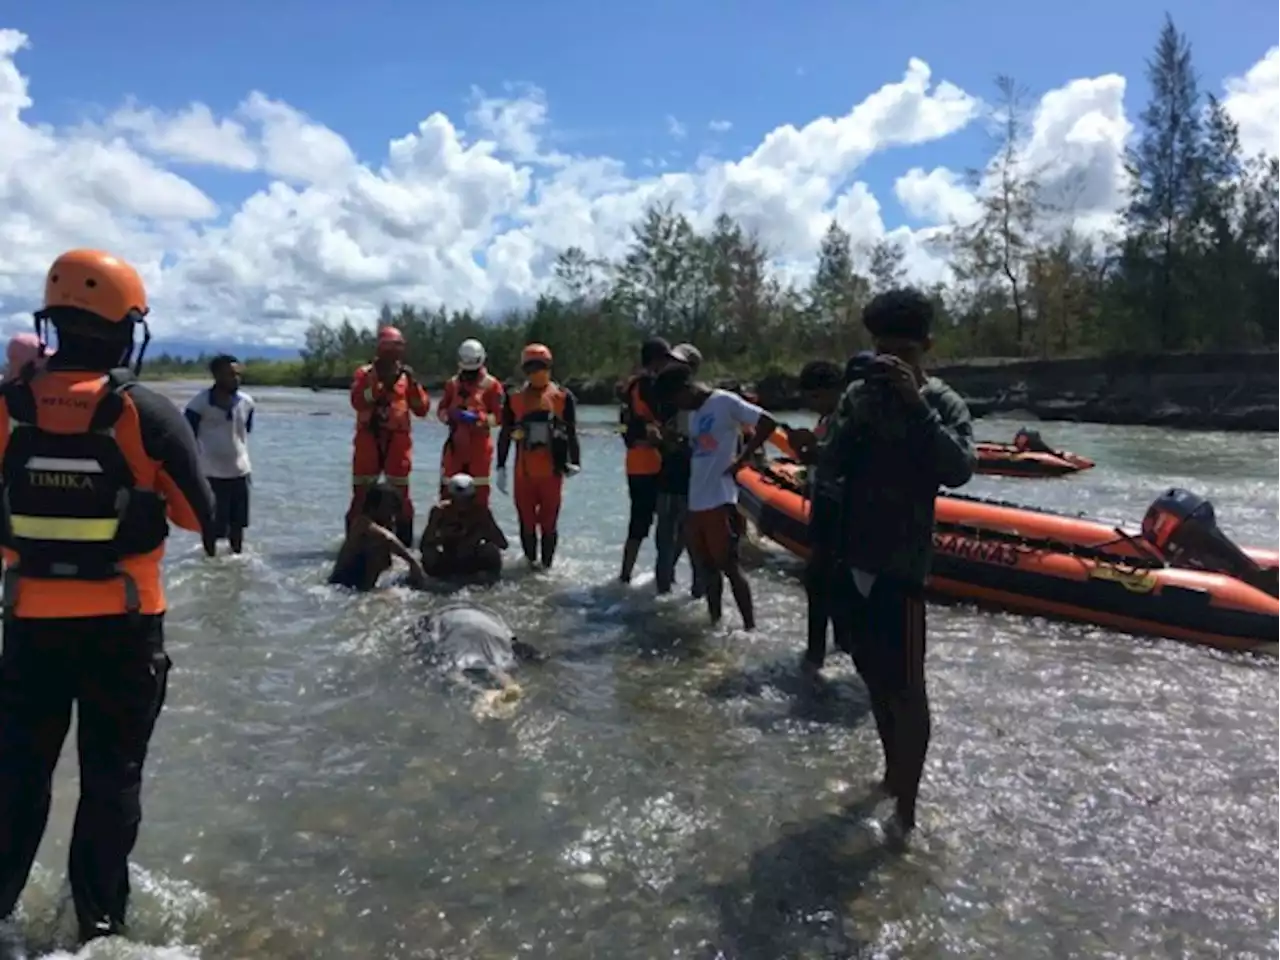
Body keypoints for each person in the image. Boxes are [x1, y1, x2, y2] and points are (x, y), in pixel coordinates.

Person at [0, 249, 215, 947]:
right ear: (127, 330)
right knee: (110, 781)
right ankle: (97, 927)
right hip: (124, 630)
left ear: (53, 321)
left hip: (27, 627)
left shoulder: (7, 411)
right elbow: (197, 517)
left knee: (18, 777)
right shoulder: (146, 414)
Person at [816, 287, 976, 844]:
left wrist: (915, 406)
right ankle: (890, 774)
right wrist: (850, 420)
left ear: (925, 348)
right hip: (851, 558)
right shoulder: (859, 396)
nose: (893, 363)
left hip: (902, 566)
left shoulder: (943, 402)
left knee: (908, 688)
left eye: (903, 353)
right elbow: (829, 465)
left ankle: (907, 810)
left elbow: (958, 470)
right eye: (884, 351)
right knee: (872, 678)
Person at [651, 363, 777, 630]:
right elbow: (700, 451)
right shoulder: (695, 415)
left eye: (676, 399)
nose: (679, 406)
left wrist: (742, 460)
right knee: (707, 568)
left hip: (720, 499)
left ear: (686, 389)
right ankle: (715, 622)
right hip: (697, 500)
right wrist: (668, 442)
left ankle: (749, 628)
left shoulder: (724, 402)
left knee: (730, 566)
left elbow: (768, 422)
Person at [782, 360, 849, 676]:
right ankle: (832, 646)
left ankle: (817, 655)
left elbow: (842, 461)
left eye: (814, 397)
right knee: (822, 581)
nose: (811, 405)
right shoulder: (827, 419)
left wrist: (814, 451)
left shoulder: (846, 419)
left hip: (840, 511)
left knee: (821, 581)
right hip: (824, 505)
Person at [495, 343, 581, 569]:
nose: (536, 372)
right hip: (523, 472)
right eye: (531, 367)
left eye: (541, 366)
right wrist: (500, 466)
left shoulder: (563, 397)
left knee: (549, 523)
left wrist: (576, 461)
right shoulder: (514, 398)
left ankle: (547, 567)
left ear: (549, 367)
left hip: (552, 471)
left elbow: (571, 431)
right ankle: (531, 564)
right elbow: (504, 432)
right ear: (524, 370)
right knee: (526, 521)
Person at [347, 326, 430, 547]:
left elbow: (421, 409)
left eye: (397, 348)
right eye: (390, 348)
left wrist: (412, 385)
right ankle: (355, 543)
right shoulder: (364, 374)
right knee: (362, 494)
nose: (393, 355)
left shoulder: (407, 378)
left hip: (397, 440)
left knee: (401, 495)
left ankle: (404, 545)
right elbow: (357, 401)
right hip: (369, 439)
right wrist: (379, 386)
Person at [184, 354, 256, 557]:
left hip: (240, 472)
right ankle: (210, 562)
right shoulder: (199, 405)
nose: (235, 379)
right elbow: (187, 436)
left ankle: (237, 561)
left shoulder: (247, 402)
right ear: (216, 376)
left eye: (237, 374)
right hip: (211, 474)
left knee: (238, 525)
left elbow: (244, 432)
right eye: (230, 374)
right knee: (211, 526)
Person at [617, 337, 672, 583]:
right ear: (656, 359)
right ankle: (665, 577)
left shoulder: (631, 386)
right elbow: (663, 414)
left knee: (637, 522)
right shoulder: (652, 384)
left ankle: (625, 575)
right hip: (654, 460)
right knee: (666, 522)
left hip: (635, 461)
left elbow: (626, 425)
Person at [653, 343, 703, 597]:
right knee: (664, 539)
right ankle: (662, 588)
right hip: (668, 477)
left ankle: (698, 593)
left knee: (694, 542)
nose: (673, 366)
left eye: (680, 363)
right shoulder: (664, 399)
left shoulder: (702, 402)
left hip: (693, 482)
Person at [436, 338, 504, 508]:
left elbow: (499, 417)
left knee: (479, 494)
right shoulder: (452, 384)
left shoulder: (492, 385)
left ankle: (477, 530)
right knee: (448, 490)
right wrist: (449, 416)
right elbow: (441, 410)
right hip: (455, 446)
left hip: (479, 447)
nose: (469, 374)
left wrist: (478, 419)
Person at [329, 483, 428, 591]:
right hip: (342, 586)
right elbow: (386, 538)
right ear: (373, 506)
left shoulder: (384, 528)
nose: (393, 513)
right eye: (390, 507)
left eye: (395, 508)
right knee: (378, 547)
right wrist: (411, 561)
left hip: (361, 588)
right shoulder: (361, 522)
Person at [420, 473, 508, 579]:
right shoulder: (439, 512)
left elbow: (503, 544)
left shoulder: (481, 512)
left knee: (491, 550)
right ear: (450, 497)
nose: (461, 506)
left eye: (466, 500)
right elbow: (424, 545)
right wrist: (444, 536)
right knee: (429, 553)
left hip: (471, 558)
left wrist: (480, 533)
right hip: (449, 558)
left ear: (473, 498)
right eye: (457, 500)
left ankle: (490, 582)